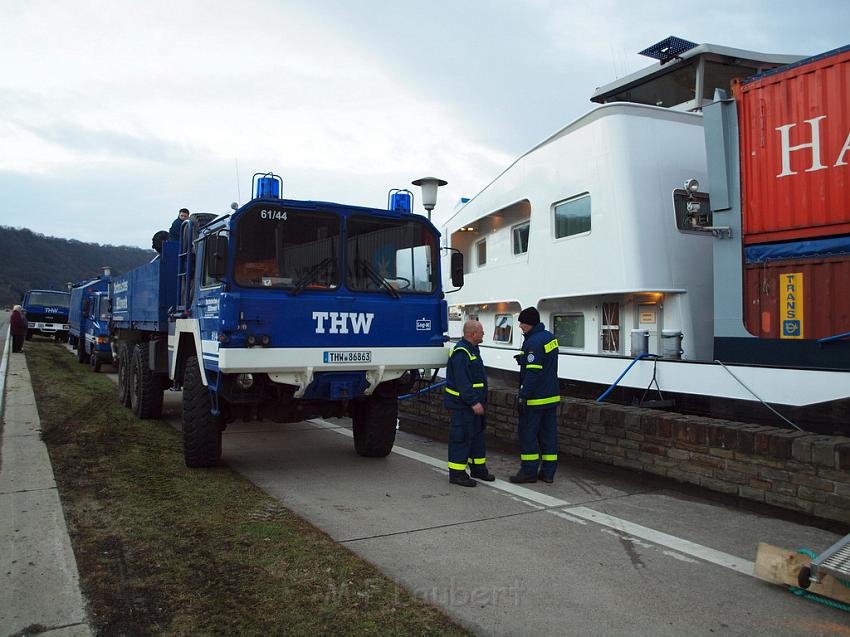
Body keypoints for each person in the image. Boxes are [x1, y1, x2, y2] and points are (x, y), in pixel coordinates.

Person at [510, 306, 560, 484]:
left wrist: (523, 395)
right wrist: (523, 359)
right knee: (549, 436)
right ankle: (548, 472)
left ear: (529, 323)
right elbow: (544, 364)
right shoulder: (549, 338)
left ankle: (528, 472)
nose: (520, 326)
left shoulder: (533, 342)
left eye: (522, 323)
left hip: (535, 399)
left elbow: (533, 373)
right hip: (551, 397)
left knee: (528, 435)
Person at [444, 319, 495, 487]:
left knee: (477, 438)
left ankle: (478, 469)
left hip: (474, 404)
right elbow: (462, 382)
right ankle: (457, 474)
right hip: (464, 405)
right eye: (481, 332)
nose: (484, 334)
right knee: (462, 438)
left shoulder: (472, 349)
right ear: (473, 334)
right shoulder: (461, 352)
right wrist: (473, 402)